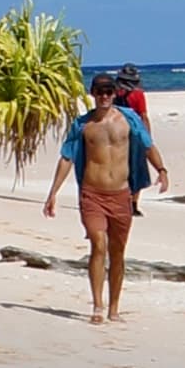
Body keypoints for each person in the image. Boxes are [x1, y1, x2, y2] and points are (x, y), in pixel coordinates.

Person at [43, 71, 168, 321]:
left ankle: (114, 309)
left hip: (121, 195)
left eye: (109, 92)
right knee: (98, 245)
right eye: (99, 92)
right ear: (92, 94)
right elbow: (67, 157)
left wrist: (162, 170)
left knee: (118, 252)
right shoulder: (82, 125)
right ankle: (98, 307)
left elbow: (147, 145)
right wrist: (53, 193)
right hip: (92, 194)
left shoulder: (129, 120)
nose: (104, 96)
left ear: (115, 93)